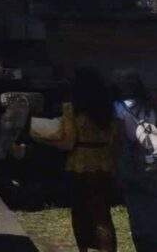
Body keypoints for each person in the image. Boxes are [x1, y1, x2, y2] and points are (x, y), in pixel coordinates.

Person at [30, 66, 118, 252]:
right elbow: (115, 140)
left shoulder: (73, 109)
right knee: (102, 215)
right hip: (104, 162)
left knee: (80, 214)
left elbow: (68, 142)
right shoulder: (108, 109)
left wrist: (42, 138)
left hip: (79, 164)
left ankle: (84, 249)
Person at [112, 69, 157, 252]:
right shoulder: (150, 103)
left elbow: (119, 137)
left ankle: (144, 244)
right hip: (153, 158)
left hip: (131, 161)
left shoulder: (117, 107)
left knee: (136, 205)